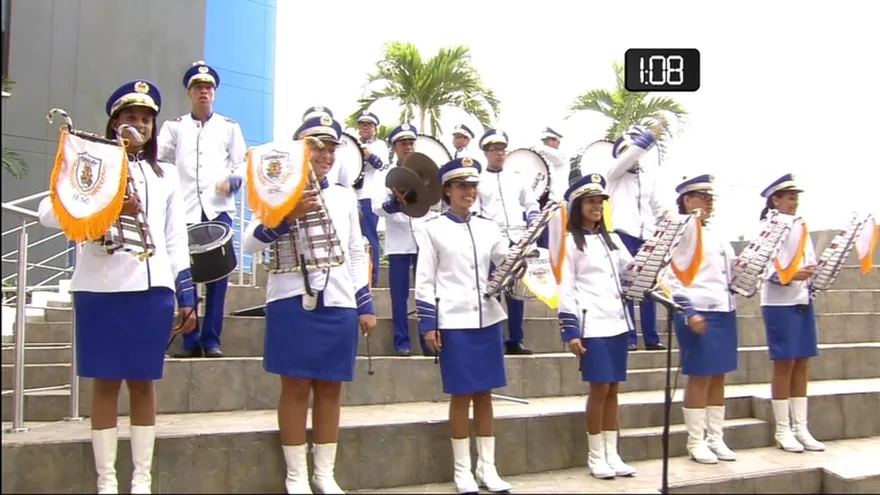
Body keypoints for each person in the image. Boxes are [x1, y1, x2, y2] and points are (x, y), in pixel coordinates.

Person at [38, 80, 197, 494]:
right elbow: (46, 213)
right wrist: (105, 204)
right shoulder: (91, 161)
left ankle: (141, 479)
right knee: (105, 382)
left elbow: (176, 240)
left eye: (146, 119)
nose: (138, 125)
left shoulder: (164, 176)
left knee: (143, 382)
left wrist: (186, 294)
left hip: (151, 289)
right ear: (114, 123)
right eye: (129, 118)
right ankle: (106, 480)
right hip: (100, 286)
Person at [241, 115, 377, 494]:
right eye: (317, 146)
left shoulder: (344, 195)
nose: (325, 154)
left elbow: (354, 251)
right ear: (299, 148)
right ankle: (296, 476)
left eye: (331, 147)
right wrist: (285, 217)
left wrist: (363, 302)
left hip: (338, 301)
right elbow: (250, 243)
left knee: (331, 388)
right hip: (290, 298)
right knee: (295, 387)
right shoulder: (276, 188)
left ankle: (324, 474)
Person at [414, 156, 512, 494]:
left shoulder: (488, 227)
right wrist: (429, 323)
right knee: (460, 396)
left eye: (472, 185)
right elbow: (425, 280)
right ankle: (463, 471)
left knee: (485, 394)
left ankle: (488, 467)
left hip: (486, 318)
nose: (469, 192)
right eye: (461, 186)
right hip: (453, 320)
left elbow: (506, 259)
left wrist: (525, 254)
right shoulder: (432, 229)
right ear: (448, 191)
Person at [157, 60, 247, 358]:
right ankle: (189, 338)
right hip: (186, 209)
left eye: (208, 88)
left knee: (218, 278)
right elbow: (157, 157)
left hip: (217, 210)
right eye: (198, 88)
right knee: (187, 274)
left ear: (215, 93)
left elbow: (242, 163)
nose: (203, 92)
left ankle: (212, 339)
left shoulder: (229, 127)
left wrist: (233, 181)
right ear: (189, 93)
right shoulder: (174, 127)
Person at [557, 173, 636, 480]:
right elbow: (566, 287)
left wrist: (652, 264)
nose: (597, 207)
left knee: (614, 388)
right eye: (590, 201)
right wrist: (570, 330)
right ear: (577, 206)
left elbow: (630, 272)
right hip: (592, 323)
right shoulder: (568, 243)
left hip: (617, 320)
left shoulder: (613, 239)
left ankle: (612, 452)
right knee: (599, 388)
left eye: (600, 202)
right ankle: (595, 455)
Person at [659, 174, 738, 465]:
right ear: (686, 200)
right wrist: (688, 311)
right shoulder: (679, 230)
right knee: (700, 376)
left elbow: (728, 270)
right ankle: (696, 441)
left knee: (718, 376)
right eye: (702, 197)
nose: (708, 202)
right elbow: (668, 275)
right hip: (696, 309)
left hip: (723, 309)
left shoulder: (716, 231)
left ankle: (716, 437)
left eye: (710, 198)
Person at [757, 173, 825, 453]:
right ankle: (783, 429)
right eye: (790, 196)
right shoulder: (767, 226)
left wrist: (813, 270)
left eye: (796, 197)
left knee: (802, 363)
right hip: (778, 302)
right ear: (776, 199)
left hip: (801, 299)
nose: (795, 201)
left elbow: (805, 260)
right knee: (784, 364)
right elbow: (760, 265)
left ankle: (801, 427)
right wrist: (788, 275)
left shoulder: (800, 225)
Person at [475, 128, 540, 355]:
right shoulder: (478, 180)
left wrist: (533, 217)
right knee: (493, 290)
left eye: (502, 149)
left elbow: (531, 204)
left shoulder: (517, 178)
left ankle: (515, 338)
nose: (499, 154)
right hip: (492, 239)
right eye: (494, 150)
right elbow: (475, 211)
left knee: (516, 292)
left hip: (516, 238)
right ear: (485, 152)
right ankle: (494, 338)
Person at [373, 123, 436, 356]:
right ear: (394, 147)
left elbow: (435, 200)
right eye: (403, 143)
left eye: (411, 142)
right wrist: (392, 204)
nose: (408, 146)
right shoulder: (383, 174)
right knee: (399, 296)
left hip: (422, 237)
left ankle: (427, 340)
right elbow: (375, 207)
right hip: (398, 240)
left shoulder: (425, 171)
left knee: (424, 291)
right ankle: (402, 342)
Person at [605, 125, 668, 351]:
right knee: (628, 287)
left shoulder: (647, 178)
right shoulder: (614, 173)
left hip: (647, 236)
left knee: (648, 288)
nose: (634, 156)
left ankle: (651, 338)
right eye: (627, 151)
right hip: (623, 235)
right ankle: (630, 337)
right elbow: (630, 154)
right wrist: (648, 137)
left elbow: (658, 207)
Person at [353, 111, 389, 286]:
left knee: (369, 235)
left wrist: (367, 153)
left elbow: (380, 164)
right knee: (352, 236)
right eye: (362, 124)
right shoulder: (352, 144)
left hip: (368, 196)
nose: (364, 128)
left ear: (375, 128)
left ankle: (372, 278)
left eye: (368, 125)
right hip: (353, 196)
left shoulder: (379, 145)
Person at [533, 126, 569, 249]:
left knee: (556, 243)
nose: (546, 144)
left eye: (549, 140)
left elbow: (545, 151)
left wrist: (535, 149)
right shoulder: (541, 161)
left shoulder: (560, 158)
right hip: (542, 205)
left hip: (556, 205)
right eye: (544, 141)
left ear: (557, 142)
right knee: (542, 243)